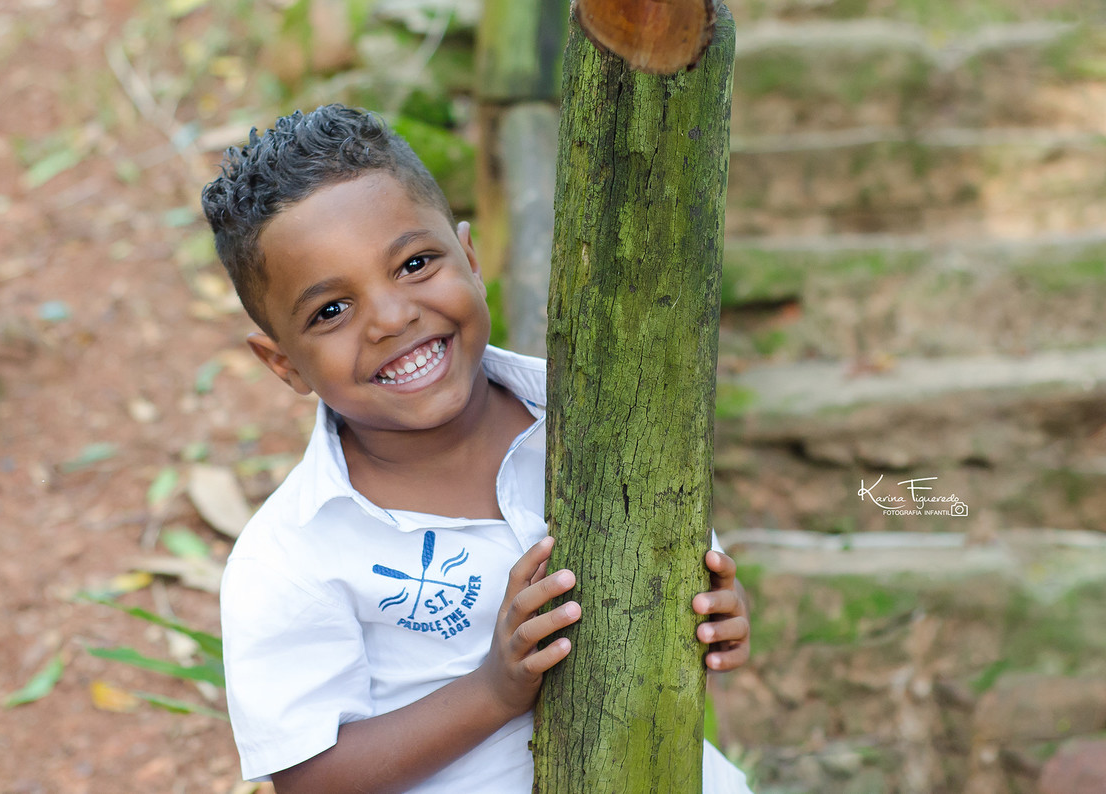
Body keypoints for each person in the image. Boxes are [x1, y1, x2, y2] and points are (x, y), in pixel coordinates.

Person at [201, 105, 753, 793]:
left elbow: (683, 559)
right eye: (331, 311)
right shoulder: (290, 556)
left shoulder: (597, 419)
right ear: (282, 363)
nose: (393, 317)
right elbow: (311, 778)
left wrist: (710, 615)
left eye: (414, 263)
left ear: (468, 255)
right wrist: (493, 690)